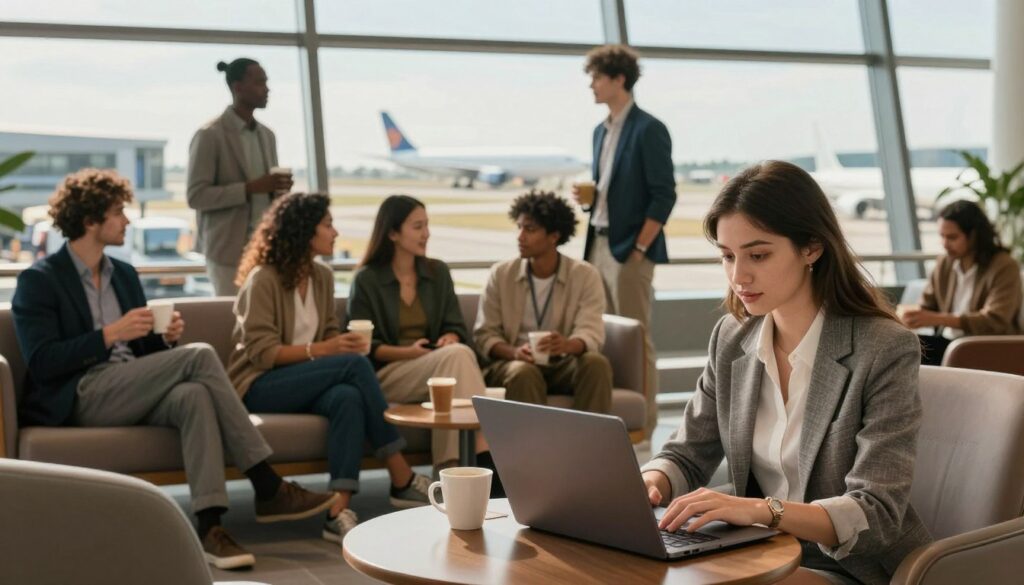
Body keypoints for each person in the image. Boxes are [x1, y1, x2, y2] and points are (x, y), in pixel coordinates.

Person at [11, 169, 337, 571]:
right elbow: (44, 362)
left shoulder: (124, 274)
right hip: (82, 394)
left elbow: (142, 350)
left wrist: (163, 339)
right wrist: (109, 334)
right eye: (118, 212)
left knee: (193, 396)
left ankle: (210, 527)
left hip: (132, 387)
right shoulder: (40, 280)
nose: (127, 221)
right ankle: (266, 481)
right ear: (90, 220)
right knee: (198, 355)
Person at [640, 161, 930, 585]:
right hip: (760, 552)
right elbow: (688, 452)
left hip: (851, 568)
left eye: (758, 255)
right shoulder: (732, 337)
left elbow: (877, 511)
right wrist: (649, 483)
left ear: (811, 247)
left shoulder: (883, 348)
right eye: (727, 256)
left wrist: (764, 511)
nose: (739, 276)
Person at [228, 192, 431, 543]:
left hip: (307, 383)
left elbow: (329, 336)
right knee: (352, 368)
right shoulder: (263, 279)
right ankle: (400, 473)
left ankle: (337, 509)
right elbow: (261, 354)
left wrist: (340, 344)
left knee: (347, 397)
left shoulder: (321, 277)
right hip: (260, 384)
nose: (335, 233)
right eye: (328, 225)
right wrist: (327, 349)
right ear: (305, 231)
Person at [347, 195, 499, 484]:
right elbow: (365, 349)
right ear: (392, 233)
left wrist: (449, 337)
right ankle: (480, 461)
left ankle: (452, 472)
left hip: (436, 369)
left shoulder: (437, 272)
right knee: (457, 356)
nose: (426, 234)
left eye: (427, 225)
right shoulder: (366, 280)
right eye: (418, 226)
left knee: (455, 354)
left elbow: (455, 326)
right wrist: (410, 353)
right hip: (388, 374)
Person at [573, 44, 676, 438]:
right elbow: (611, 190)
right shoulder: (600, 131)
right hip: (597, 243)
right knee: (604, 335)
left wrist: (639, 248)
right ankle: (612, 421)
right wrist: (590, 199)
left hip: (630, 249)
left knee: (635, 338)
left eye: (597, 78)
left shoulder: (649, 129)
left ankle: (645, 426)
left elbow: (664, 194)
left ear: (619, 79)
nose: (592, 86)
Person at [474, 190, 612, 413]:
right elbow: (484, 335)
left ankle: (588, 445)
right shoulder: (501, 274)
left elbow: (591, 331)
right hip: (513, 364)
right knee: (524, 372)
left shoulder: (585, 275)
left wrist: (568, 345)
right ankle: (531, 448)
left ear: (554, 236)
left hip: (561, 363)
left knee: (596, 364)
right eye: (519, 227)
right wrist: (514, 352)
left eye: (529, 229)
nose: (520, 236)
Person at [188, 57, 293, 296]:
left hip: (266, 248)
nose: (267, 89)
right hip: (228, 252)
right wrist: (248, 188)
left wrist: (277, 190)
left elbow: (265, 192)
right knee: (231, 320)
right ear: (237, 87)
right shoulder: (209, 135)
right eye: (259, 82)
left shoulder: (267, 136)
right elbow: (196, 196)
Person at [902, 200, 1021, 365]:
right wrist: (908, 317)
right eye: (942, 236)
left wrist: (938, 319)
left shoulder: (1003, 266)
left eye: (952, 237)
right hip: (950, 343)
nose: (944, 244)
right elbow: (927, 307)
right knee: (902, 346)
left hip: (986, 347)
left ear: (974, 235)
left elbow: (995, 321)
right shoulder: (945, 263)